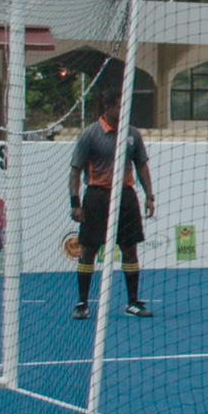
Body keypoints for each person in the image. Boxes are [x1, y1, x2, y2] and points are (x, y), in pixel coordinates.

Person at [68, 90, 157, 320]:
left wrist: (149, 196)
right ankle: (82, 303)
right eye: (119, 106)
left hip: (126, 197)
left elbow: (142, 166)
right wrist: (75, 203)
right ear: (107, 107)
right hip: (97, 196)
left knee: (130, 248)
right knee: (88, 250)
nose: (123, 111)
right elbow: (75, 170)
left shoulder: (132, 134)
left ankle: (133, 302)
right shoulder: (90, 134)